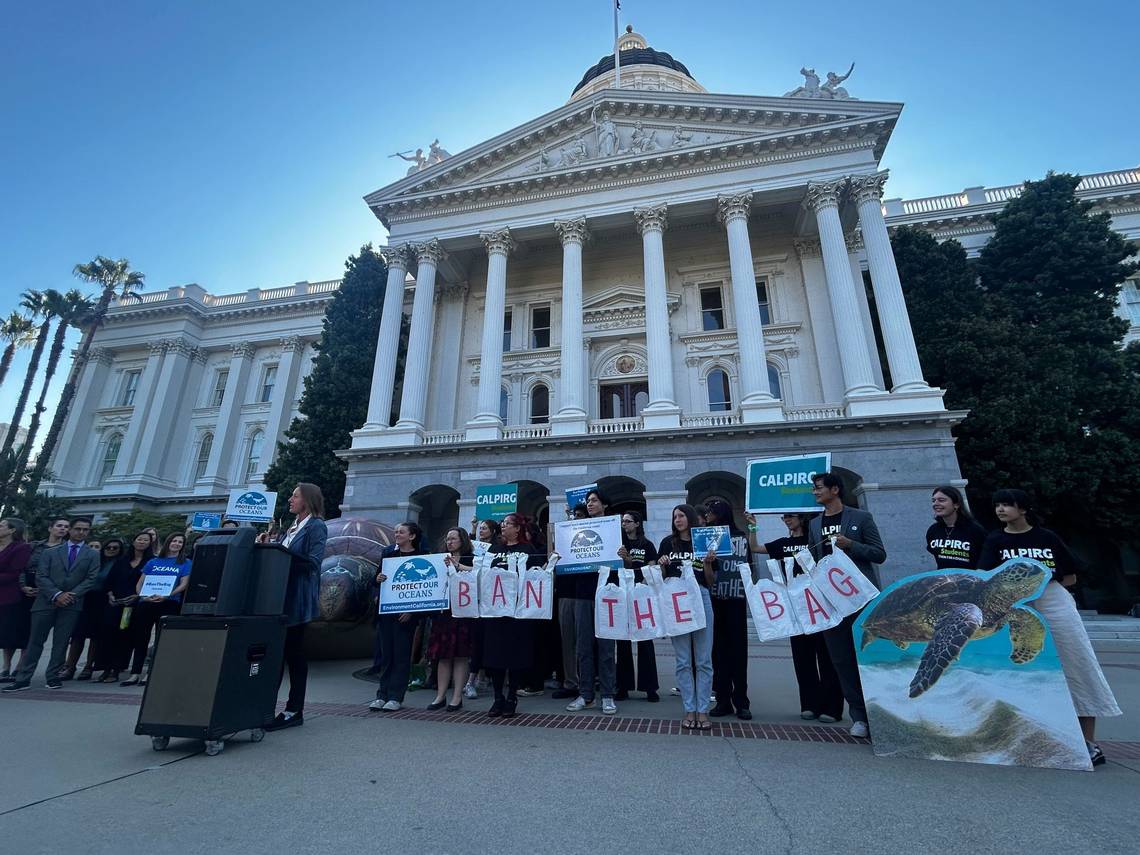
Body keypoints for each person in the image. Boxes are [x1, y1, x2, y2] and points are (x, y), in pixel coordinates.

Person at [978, 488, 1121, 766]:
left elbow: (1071, 575)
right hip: (1015, 603)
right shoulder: (995, 539)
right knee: (1021, 669)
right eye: (997, 505)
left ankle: (1088, 742)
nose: (1001, 509)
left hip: (1053, 600)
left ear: (1024, 508)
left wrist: (1042, 588)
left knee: (1076, 664)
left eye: (1007, 504)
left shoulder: (1047, 537)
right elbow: (986, 575)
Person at [807, 472, 886, 739]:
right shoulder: (815, 523)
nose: (815, 492)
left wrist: (850, 544)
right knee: (842, 660)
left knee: (868, 655)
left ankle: (881, 711)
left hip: (861, 598)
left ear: (835, 489)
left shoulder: (860, 518)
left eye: (818, 488)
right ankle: (859, 716)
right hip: (831, 602)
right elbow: (813, 558)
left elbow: (879, 553)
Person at [747, 511, 844, 723]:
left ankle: (832, 707)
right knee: (803, 658)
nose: (787, 520)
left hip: (818, 605)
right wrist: (753, 528)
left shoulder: (814, 541)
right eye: (784, 517)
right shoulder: (781, 543)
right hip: (795, 608)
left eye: (790, 516)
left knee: (826, 657)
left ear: (802, 518)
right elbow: (755, 548)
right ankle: (810, 704)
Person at [4, 517, 100, 692]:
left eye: (85, 530)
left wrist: (71, 594)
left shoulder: (92, 554)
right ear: (70, 530)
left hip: (72, 603)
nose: (81, 532)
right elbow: (41, 576)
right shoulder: (51, 552)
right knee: (35, 641)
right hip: (46, 601)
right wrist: (56, 594)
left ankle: (53, 676)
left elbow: (91, 579)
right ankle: (23, 678)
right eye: (78, 528)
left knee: (61, 642)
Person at [264, 484, 327, 730]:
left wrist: (281, 555)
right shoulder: (290, 528)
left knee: (294, 655)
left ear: (308, 500)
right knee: (277, 656)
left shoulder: (316, 526)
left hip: (297, 599)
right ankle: (266, 706)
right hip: (278, 597)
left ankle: (294, 709)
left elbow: (313, 562)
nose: (290, 499)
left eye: (295, 496)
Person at [658, 504, 716, 731]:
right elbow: (662, 579)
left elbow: (710, 581)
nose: (677, 519)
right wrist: (662, 566)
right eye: (674, 516)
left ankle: (702, 710)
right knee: (683, 660)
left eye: (681, 515)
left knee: (703, 660)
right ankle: (689, 708)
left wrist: (709, 563)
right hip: (675, 600)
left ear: (691, 517)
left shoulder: (702, 541)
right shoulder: (667, 543)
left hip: (700, 597)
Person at [564, 490, 619, 716]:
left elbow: (622, 561)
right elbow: (567, 558)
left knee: (606, 648)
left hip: (606, 592)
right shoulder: (576, 530)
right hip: (583, 592)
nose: (590, 504)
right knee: (583, 646)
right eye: (588, 501)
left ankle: (607, 695)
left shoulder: (614, 528)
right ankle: (586, 694)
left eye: (594, 500)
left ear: (604, 504)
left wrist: (623, 556)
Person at [483, 512, 539, 717]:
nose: (503, 526)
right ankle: (497, 697)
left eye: (507, 524)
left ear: (517, 528)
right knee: (495, 654)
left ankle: (512, 696)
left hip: (517, 612)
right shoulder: (494, 549)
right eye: (502, 523)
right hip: (495, 610)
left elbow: (535, 576)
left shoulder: (527, 549)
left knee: (515, 655)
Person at [369, 522, 427, 712]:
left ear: (412, 536)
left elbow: (424, 588)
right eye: (395, 532)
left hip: (406, 617)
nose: (397, 534)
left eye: (401, 532)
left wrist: (412, 610)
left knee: (401, 656)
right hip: (387, 613)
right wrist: (377, 580)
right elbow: (376, 578)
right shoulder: (389, 554)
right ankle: (381, 694)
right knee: (387, 656)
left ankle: (395, 696)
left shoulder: (422, 557)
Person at [705, 498, 753, 720]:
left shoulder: (740, 537)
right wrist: (707, 562)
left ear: (721, 513)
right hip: (716, 600)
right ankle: (723, 700)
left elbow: (749, 566)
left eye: (711, 512)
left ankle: (742, 702)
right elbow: (706, 573)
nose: (707, 515)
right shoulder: (707, 538)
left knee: (738, 652)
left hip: (736, 599)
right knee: (719, 653)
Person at [122, 533, 191, 687]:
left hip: (169, 603)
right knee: (141, 638)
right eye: (174, 541)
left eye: (180, 542)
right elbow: (140, 582)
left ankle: (150, 673)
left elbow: (184, 584)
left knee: (161, 639)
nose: (177, 544)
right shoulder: (153, 561)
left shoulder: (185, 563)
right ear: (168, 542)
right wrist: (142, 596)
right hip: (147, 603)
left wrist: (168, 595)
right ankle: (135, 673)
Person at [427, 527, 475, 711]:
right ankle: (440, 695)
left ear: (462, 540)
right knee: (443, 655)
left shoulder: (470, 557)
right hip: (444, 612)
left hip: (462, 611)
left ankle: (456, 697)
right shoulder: (439, 558)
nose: (450, 542)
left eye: (454, 538)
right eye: (448, 539)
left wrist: (457, 565)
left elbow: (478, 572)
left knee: (460, 655)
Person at [614, 510, 659, 702]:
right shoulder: (618, 544)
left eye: (628, 521)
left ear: (637, 524)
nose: (624, 524)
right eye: (623, 521)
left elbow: (651, 568)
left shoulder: (647, 544)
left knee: (645, 641)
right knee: (622, 642)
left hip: (640, 596)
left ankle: (650, 687)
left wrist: (630, 562)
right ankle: (623, 686)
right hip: (622, 595)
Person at [96, 532, 151, 683]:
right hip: (115, 602)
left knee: (125, 636)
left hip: (133, 604)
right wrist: (110, 594)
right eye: (139, 539)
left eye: (145, 540)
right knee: (108, 634)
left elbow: (150, 584)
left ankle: (116, 669)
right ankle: (105, 668)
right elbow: (110, 580)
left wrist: (137, 596)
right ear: (133, 541)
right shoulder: (121, 561)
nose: (142, 542)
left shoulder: (151, 562)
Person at [64, 539, 121, 681]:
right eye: (108, 546)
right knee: (78, 634)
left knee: (96, 636)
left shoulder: (118, 564)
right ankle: (69, 667)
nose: (111, 549)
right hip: (86, 598)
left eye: (115, 548)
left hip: (104, 600)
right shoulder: (94, 560)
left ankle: (88, 667)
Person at [461, 518, 499, 700]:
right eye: (480, 528)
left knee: (482, 640)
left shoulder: (497, 548)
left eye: (485, 528)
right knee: (473, 640)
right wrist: (473, 527)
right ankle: (471, 680)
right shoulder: (472, 547)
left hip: (489, 598)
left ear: (493, 531)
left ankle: (476, 679)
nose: (481, 531)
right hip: (470, 597)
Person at [0, 518, 33, 683]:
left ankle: (19, 668)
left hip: (12, 597)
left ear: (12, 530)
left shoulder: (21, 548)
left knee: (15, 633)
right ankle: (5, 667)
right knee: (4, 636)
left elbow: (14, 572)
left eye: (1, 525)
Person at [926, 485, 987, 569]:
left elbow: (986, 557)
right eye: (933, 500)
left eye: (941, 500)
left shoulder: (975, 530)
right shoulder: (933, 530)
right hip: (945, 580)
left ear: (956, 504)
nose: (936, 504)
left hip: (971, 580)